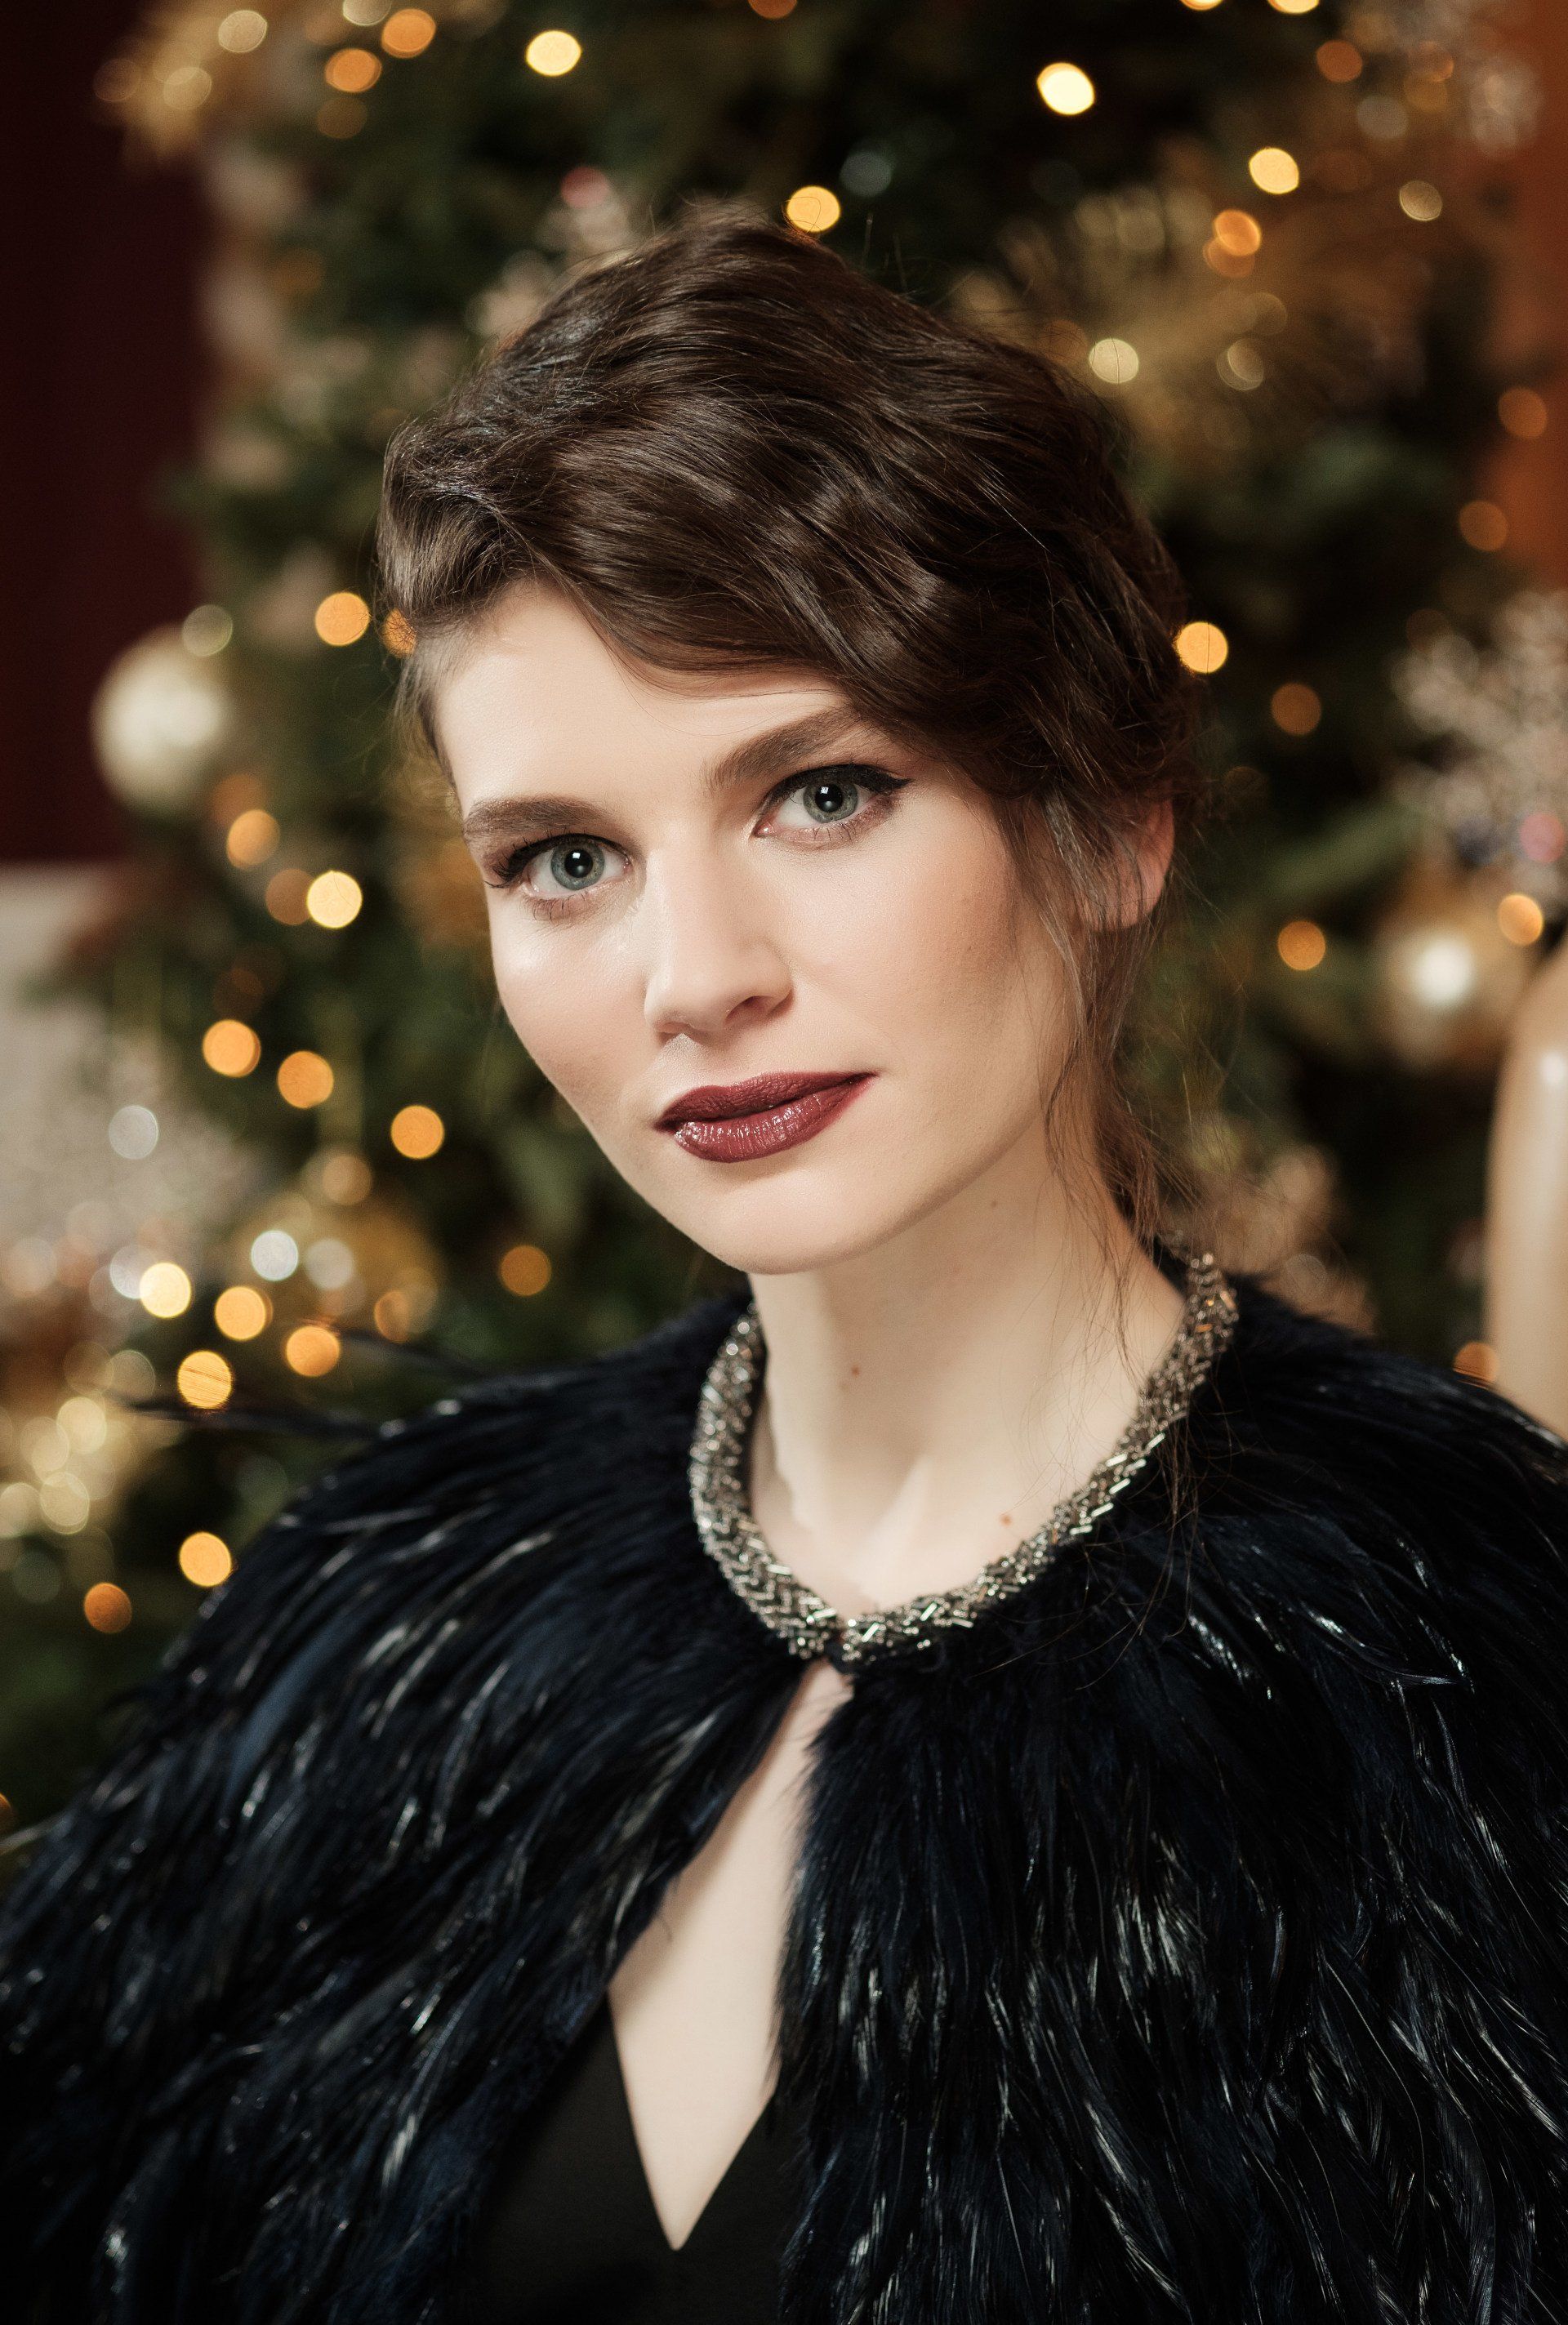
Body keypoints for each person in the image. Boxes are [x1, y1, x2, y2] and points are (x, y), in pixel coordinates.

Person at [6, 202, 1568, 2325]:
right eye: (567, 860)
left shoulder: (1471, 1683)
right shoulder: (385, 1622)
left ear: (1112, 823)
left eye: (822, 792)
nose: (694, 981)